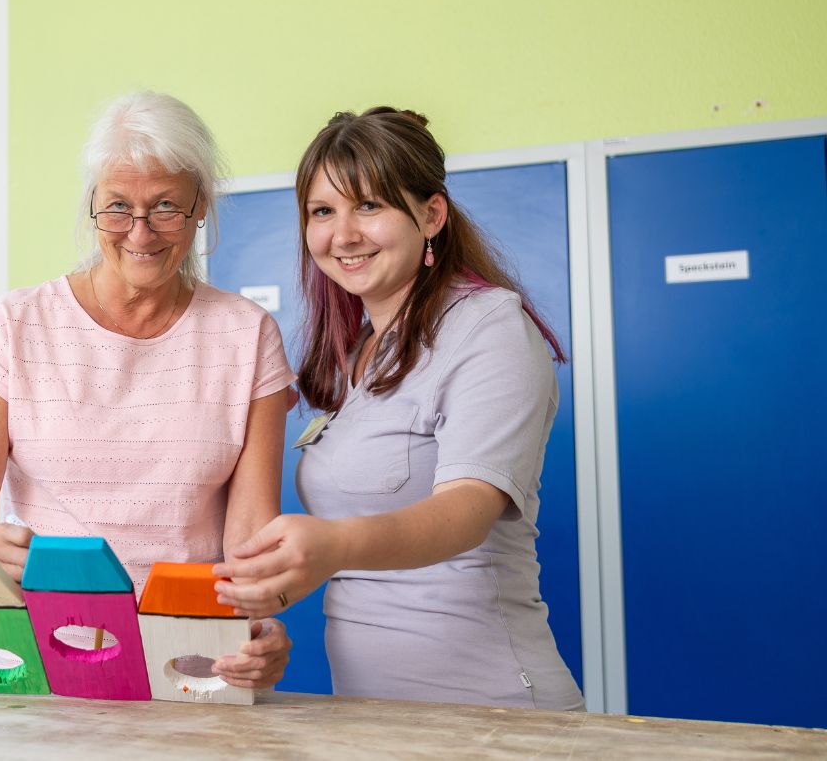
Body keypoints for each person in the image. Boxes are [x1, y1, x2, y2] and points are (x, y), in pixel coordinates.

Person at [213, 107, 585, 710]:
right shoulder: (355, 353)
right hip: (371, 713)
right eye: (322, 212)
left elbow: (467, 509)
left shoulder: (489, 327)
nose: (343, 235)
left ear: (431, 214)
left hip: (491, 711)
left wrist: (332, 545)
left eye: (370, 206)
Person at [0, 91, 296, 689]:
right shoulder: (15, 325)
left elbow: (251, 534)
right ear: (92, 207)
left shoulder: (247, 334)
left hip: (191, 662)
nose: (140, 232)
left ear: (199, 207)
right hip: (41, 656)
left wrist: (260, 621)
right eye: (117, 207)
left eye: (165, 208)